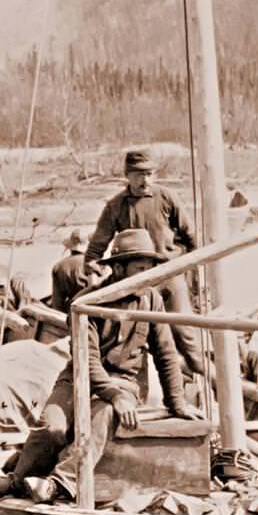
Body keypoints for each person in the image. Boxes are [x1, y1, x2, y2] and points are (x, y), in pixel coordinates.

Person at [0, 229, 194, 504]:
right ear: (118, 268)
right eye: (140, 269)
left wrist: (177, 403)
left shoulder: (151, 300)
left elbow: (165, 353)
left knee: (102, 414)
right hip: (79, 376)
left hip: (126, 382)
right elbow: (87, 359)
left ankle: (59, 483)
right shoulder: (86, 302)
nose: (147, 276)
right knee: (53, 428)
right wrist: (113, 394)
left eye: (150, 269)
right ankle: (17, 481)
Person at [85, 149, 203, 376]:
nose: (145, 180)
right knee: (130, 340)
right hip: (136, 282)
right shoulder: (116, 206)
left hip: (168, 275)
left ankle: (212, 379)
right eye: (139, 174)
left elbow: (192, 238)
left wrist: (193, 276)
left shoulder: (166, 197)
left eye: (149, 174)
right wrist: (93, 277)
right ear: (127, 176)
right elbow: (95, 250)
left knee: (186, 337)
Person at [49, 230, 89, 315]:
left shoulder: (59, 267)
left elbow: (57, 304)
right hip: (94, 312)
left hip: (73, 313)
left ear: (70, 246)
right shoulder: (96, 263)